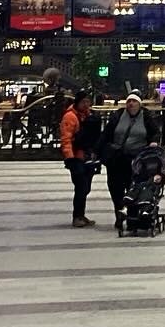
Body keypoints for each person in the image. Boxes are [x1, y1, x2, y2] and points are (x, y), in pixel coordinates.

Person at [101, 93, 158, 234]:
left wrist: (153, 143)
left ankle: (132, 218)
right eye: (129, 102)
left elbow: (155, 132)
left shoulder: (146, 117)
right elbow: (107, 134)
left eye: (134, 102)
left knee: (133, 188)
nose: (131, 104)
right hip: (117, 159)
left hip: (136, 160)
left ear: (139, 104)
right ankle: (119, 215)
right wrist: (99, 150)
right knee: (116, 189)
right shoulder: (118, 115)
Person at [59, 90, 100, 229]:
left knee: (86, 187)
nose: (86, 104)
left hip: (87, 156)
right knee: (81, 187)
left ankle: (81, 215)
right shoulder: (70, 117)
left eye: (88, 102)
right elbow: (66, 139)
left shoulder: (88, 115)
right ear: (77, 102)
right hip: (76, 157)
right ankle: (77, 216)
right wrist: (69, 158)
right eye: (84, 102)